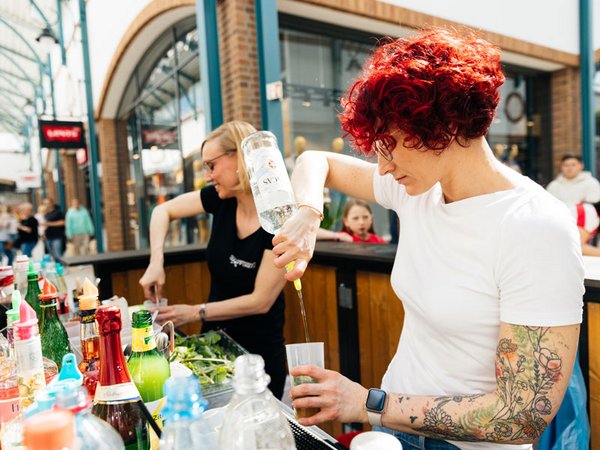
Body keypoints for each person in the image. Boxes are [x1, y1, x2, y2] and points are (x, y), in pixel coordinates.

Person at [273, 28, 582, 449]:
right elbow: (315, 161)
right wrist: (308, 214)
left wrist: (366, 402)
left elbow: (520, 417)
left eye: (389, 145)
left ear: (444, 127)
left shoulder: (535, 226)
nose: (382, 168)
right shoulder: (418, 188)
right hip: (395, 428)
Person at [139, 121, 288, 399]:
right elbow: (162, 211)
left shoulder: (278, 217)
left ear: (240, 158)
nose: (207, 176)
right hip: (213, 349)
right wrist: (156, 262)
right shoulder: (220, 199)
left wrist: (194, 312)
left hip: (258, 361)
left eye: (211, 165)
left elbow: (261, 300)